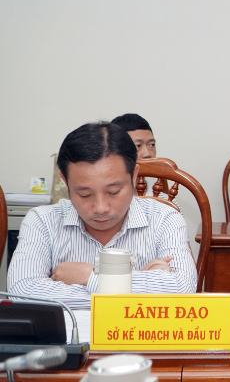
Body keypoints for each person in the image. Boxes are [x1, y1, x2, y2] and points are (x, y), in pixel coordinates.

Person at [8, 122, 197, 309]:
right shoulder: (42, 221)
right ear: (65, 181)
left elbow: (183, 289)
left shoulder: (164, 218)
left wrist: (89, 276)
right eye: (84, 194)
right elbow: (22, 292)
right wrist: (135, 287)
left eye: (113, 192)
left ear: (134, 176)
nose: (100, 208)